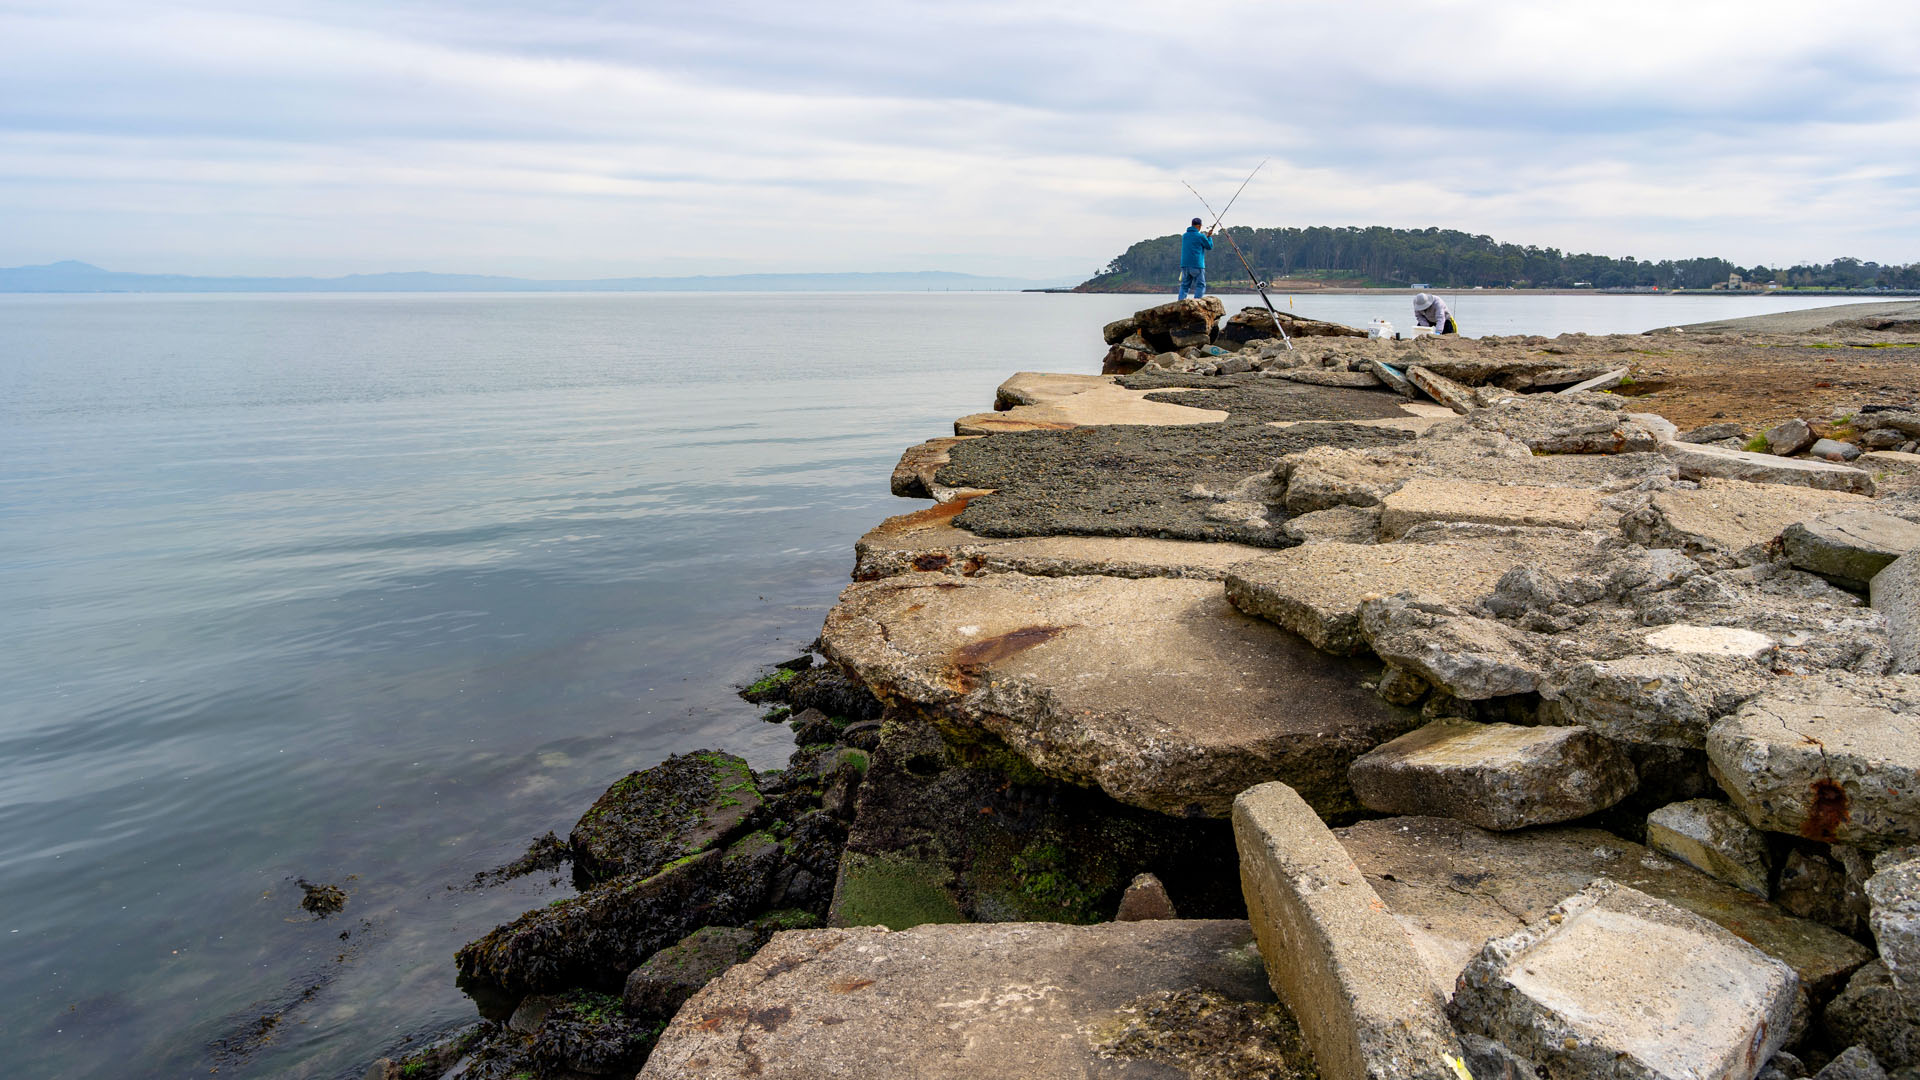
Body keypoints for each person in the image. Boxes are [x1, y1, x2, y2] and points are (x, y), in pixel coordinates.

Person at [1178, 217, 1214, 300]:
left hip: (1184, 265)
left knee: (1184, 285)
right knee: (1200, 285)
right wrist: (1209, 237)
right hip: (1197, 265)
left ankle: (1180, 301)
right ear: (1198, 226)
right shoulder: (1200, 236)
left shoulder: (1185, 236)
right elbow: (1209, 246)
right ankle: (1197, 302)